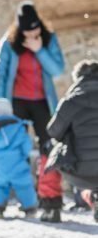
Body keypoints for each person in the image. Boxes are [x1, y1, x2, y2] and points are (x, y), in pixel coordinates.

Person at [0, 1, 65, 222]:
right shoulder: (9, 43)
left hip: (43, 102)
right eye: (28, 30)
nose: (32, 33)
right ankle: (23, 200)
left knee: (49, 149)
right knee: (14, 150)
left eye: (35, 28)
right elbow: (0, 75)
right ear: (20, 28)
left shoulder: (49, 39)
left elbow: (58, 70)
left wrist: (39, 50)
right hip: (17, 102)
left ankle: (50, 201)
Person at [0, 98, 38, 219]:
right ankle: (30, 208)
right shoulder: (19, 127)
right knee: (24, 185)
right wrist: (24, 155)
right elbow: (27, 146)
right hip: (17, 164)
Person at [46, 60, 98, 204]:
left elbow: (53, 131)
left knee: (53, 144)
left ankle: (51, 199)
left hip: (80, 173)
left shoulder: (70, 101)